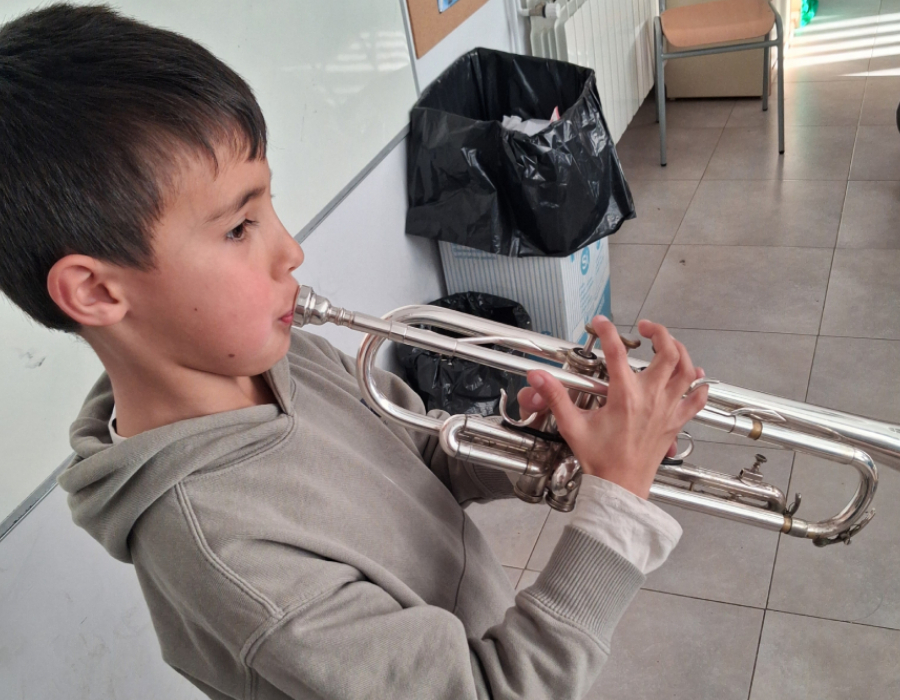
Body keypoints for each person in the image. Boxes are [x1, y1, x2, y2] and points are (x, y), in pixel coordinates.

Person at [0, 5, 709, 699]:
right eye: (240, 227)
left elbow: (422, 457)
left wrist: (532, 439)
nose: (291, 249)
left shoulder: (277, 355)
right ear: (95, 291)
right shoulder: (222, 550)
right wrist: (616, 509)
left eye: (268, 206)